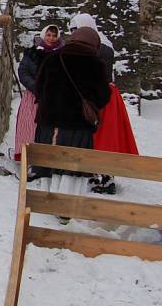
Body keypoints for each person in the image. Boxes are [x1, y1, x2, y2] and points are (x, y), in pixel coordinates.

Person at [31, 27, 111, 208]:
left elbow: (39, 87)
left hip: (49, 124)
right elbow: (103, 96)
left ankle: (45, 202)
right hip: (78, 126)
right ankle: (66, 207)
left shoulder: (54, 58)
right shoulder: (96, 65)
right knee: (72, 166)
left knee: (48, 161)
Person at [68, 13, 137, 194]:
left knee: (99, 137)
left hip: (97, 97)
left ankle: (102, 176)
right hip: (107, 95)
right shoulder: (105, 45)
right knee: (104, 136)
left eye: (76, 29)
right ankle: (104, 175)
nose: (74, 33)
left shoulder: (94, 48)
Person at [13, 25, 63, 161]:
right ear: (43, 35)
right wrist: (36, 87)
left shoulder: (62, 55)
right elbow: (23, 72)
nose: (51, 38)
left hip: (53, 97)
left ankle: (46, 157)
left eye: (54, 35)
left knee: (50, 128)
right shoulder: (31, 53)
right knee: (29, 126)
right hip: (33, 95)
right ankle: (26, 155)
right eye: (48, 35)